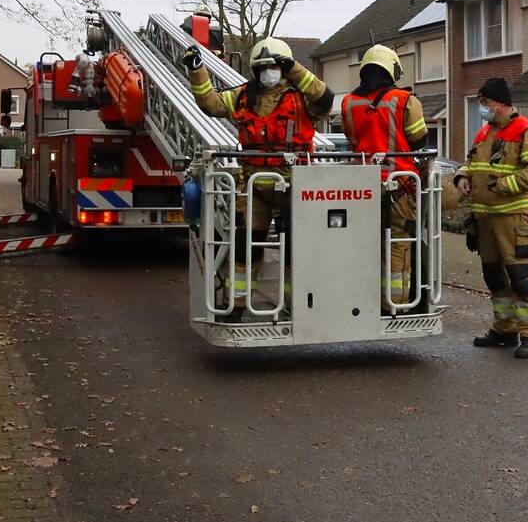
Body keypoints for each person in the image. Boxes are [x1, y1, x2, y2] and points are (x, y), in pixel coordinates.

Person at [183, 37, 334, 315]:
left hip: (294, 182)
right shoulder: (242, 96)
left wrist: (297, 70)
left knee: (295, 245)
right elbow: (210, 104)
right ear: (255, 70)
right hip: (252, 184)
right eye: (264, 67)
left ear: (285, 68)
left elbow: (326, 99)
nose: (269, 71)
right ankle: (236, 305)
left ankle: (296, 305)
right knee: (245, 246)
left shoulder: (301, 96)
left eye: (275, 65)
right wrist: (197, 70)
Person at [454, 78, 528, 359]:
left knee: (522, 278)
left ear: (503, 103)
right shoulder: (484, 134)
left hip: (514, 219)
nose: (483, 109)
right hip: (485, 220)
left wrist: (503, 186)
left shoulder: (526, 131)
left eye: (487, 103)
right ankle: (504, 330)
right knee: (494, 277)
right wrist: (462, 176)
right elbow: (472, 164)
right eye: (482, 103)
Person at [341, 45, 428, 309]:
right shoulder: (405, 100)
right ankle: (395, 304)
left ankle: (362, 300)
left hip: (362, 186)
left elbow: (351, 139)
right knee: (399, 244)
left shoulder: (348, 103)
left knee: (365, 243)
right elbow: (419, 138)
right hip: (399, 185)